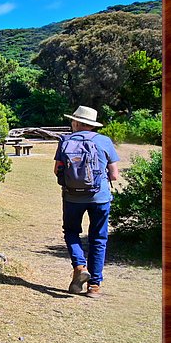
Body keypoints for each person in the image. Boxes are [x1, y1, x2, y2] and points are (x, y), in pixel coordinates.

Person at [54, 105, 120, 298]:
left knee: (72, 232)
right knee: (98, 238)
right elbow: (114, 175)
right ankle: (94, 286)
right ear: (92, 125)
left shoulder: (65, 141)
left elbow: (57, 170)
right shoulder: (104, 141)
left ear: (75, 122)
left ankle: (79, 266)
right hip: (100, 198)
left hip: (72, 197)